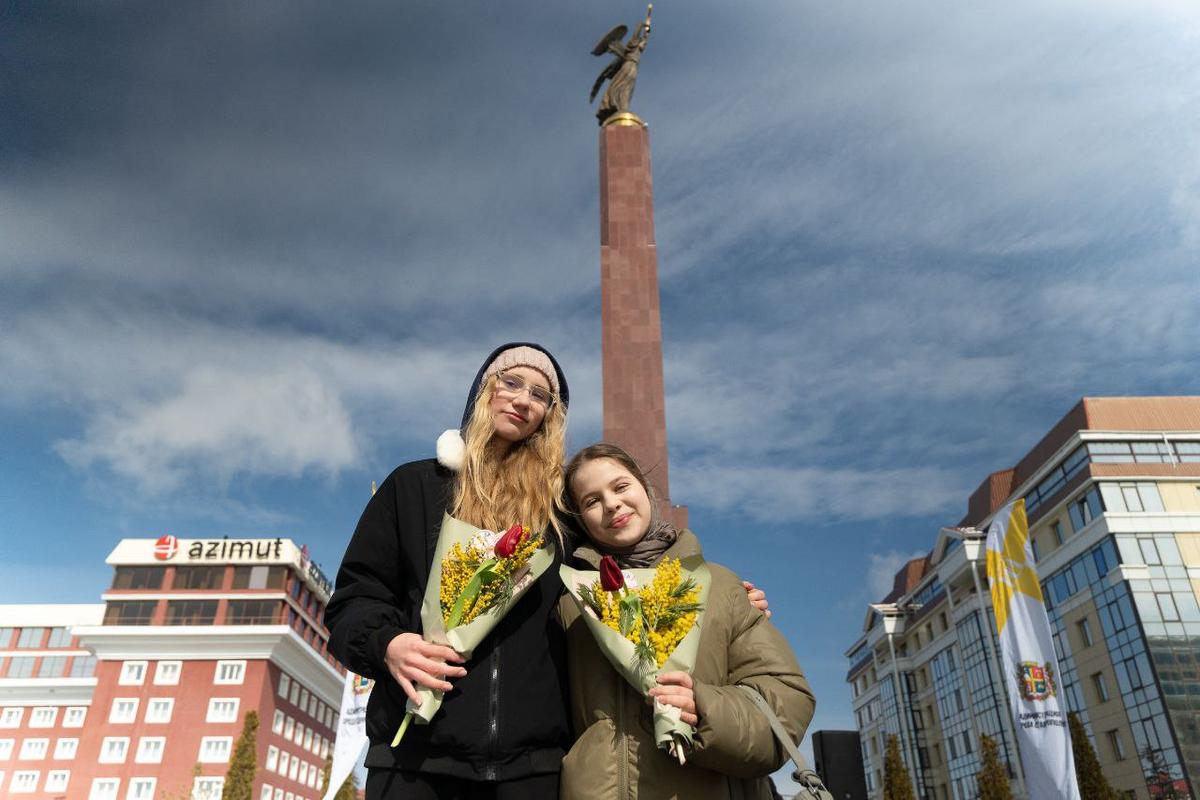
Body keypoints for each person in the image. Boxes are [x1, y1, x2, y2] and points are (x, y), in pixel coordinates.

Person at [324, 343, 573, 800]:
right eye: (512, 382)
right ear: (484, 391)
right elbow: (355, 599)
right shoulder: (414, 486)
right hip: (414, 758)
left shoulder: (561, 517)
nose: (523, 400)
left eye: (540, 395)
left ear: (549, 416)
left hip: (532, 769)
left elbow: (616, 575)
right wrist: (388, 644)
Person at [559, 442, 815, 800]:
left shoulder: (721, 586)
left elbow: (785, 700)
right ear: (580, 519)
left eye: (620, 486)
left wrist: (704, 709)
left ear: (645, 488)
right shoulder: (570, 604)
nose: (611, 504)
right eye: (592, 501)